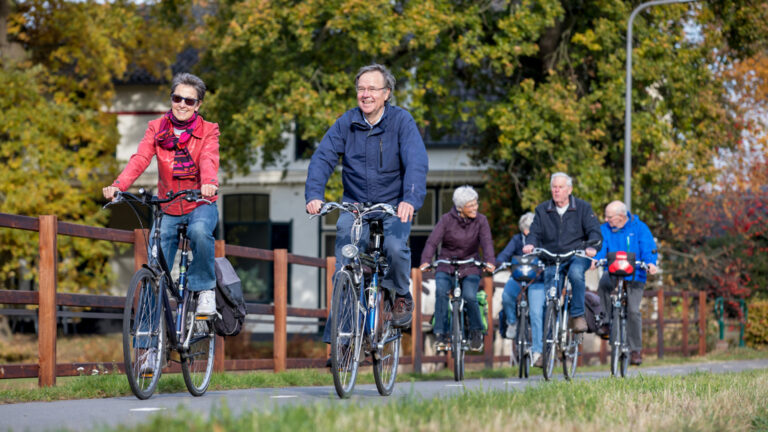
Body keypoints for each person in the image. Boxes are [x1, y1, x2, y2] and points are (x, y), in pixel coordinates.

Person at [305, 64, 428, 341]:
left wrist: (409, 199)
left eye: (372, 88)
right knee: (344, 265)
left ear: (387, 93)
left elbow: (416, 162)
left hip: (393, 205)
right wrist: (314, 194)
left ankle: (401, 294)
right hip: (356, 204)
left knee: (395, 248)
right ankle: (343, 341)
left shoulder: (401, 121)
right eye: (361, 88)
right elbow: (323, 158)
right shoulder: (346, 123)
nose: (366, 94)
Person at [102, 73, 220, 317]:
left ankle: (204, 289)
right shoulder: (156, 128)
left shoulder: (208, 130)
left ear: (198, 105)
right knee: (155, 268)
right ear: (171, 99)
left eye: (189, 101)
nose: (182, 105)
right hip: (169, 205)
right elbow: (141, 158)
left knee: (200, 232)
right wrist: (118, 185)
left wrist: (209, 183)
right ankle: (147, 333)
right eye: (177, 98)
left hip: (200, 202)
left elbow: (208, 158)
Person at [522, 172, 602, 367]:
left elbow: (594, 231)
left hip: (576, 255)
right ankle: (546, 349)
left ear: (569, 190)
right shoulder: (542, 210)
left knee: (576, 274)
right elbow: (534, 233)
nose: (556, 190)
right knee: (550, 298)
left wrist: (592, 247)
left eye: (560, 187)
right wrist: (530, 244)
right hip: (552, 257)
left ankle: (577, 315)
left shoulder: (583, 208)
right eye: (554, 187)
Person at [419, 186, 496, 351]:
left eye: (476, 203)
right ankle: (440, 334)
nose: (475, 207)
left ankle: (476, 332)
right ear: (460, 208)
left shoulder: (481, 221)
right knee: (441, 292)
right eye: (471, 205)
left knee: (470, 296)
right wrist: (426, 260)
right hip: (446, 263)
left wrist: (490, 261)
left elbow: (487, 242)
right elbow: (432, 241)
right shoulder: (446, 220)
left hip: (470, 265)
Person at [594, 200, 658, 366]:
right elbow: (600, 247)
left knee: (633, 310)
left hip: (635, 274)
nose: (606, 220)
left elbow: (648, 247)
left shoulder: (639, 228)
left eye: (609, 217)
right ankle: (606, 322)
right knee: (603, 286)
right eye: (606, 217)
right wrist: (596, 259)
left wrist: (650, 263)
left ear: (621, 216)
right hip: (613, 270)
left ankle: (635, 350)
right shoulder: (605, 229)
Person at [496, 212, 537, 340]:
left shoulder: (541, 240)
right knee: (506, 295)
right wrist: (500, 262)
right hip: (517, 277)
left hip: (537, 278)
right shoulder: (517, 239)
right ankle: (512, 322)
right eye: (528, 229)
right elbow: (505, 254)